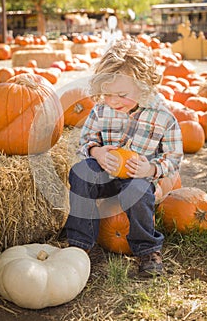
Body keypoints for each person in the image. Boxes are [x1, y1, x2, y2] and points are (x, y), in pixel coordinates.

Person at [61, 39, 183, 277]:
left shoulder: (163, 116)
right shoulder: (100, 109)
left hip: (136, 177)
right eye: (107, 93)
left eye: (121, 94)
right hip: (104, 171)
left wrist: (150, 169)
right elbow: (86, 140)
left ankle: (147, 250)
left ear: (144, 86)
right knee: (80, 173)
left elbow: (174, 157)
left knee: (137, 190)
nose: (113, 100)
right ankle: (79, 245)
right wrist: (97, 152)